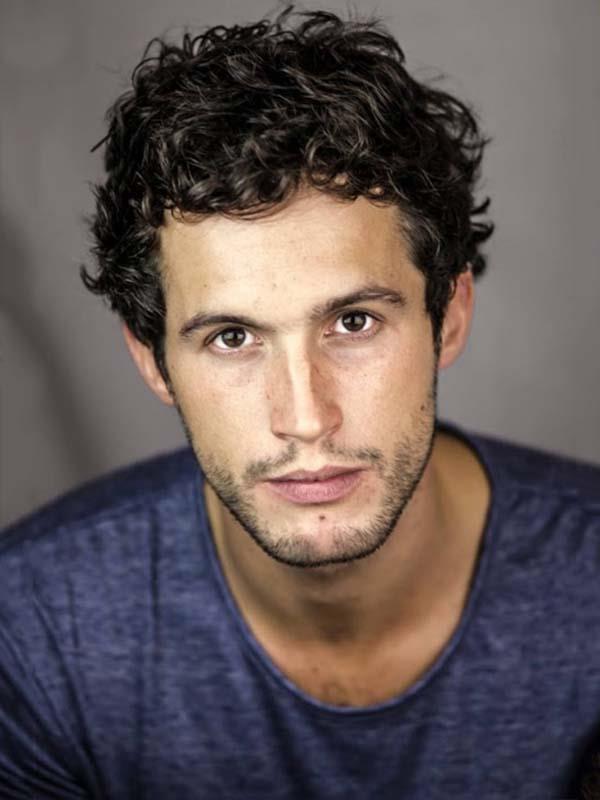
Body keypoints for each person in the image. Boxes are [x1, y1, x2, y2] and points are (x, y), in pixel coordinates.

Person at [0, 6, 598, 799]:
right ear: (152, 359)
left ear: (448, 317)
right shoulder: (33, 629)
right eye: (232, 338)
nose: (307, 418)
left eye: (353, 323)